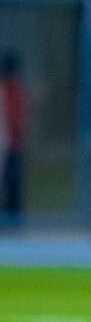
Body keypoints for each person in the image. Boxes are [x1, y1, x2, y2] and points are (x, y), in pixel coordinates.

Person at [1, 53, 27, 219]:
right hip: (7, 143)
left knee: (12, 183)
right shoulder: (6, 90)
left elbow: (18, 116)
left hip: (12, 145)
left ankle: (13, 217)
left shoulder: (15, 89)